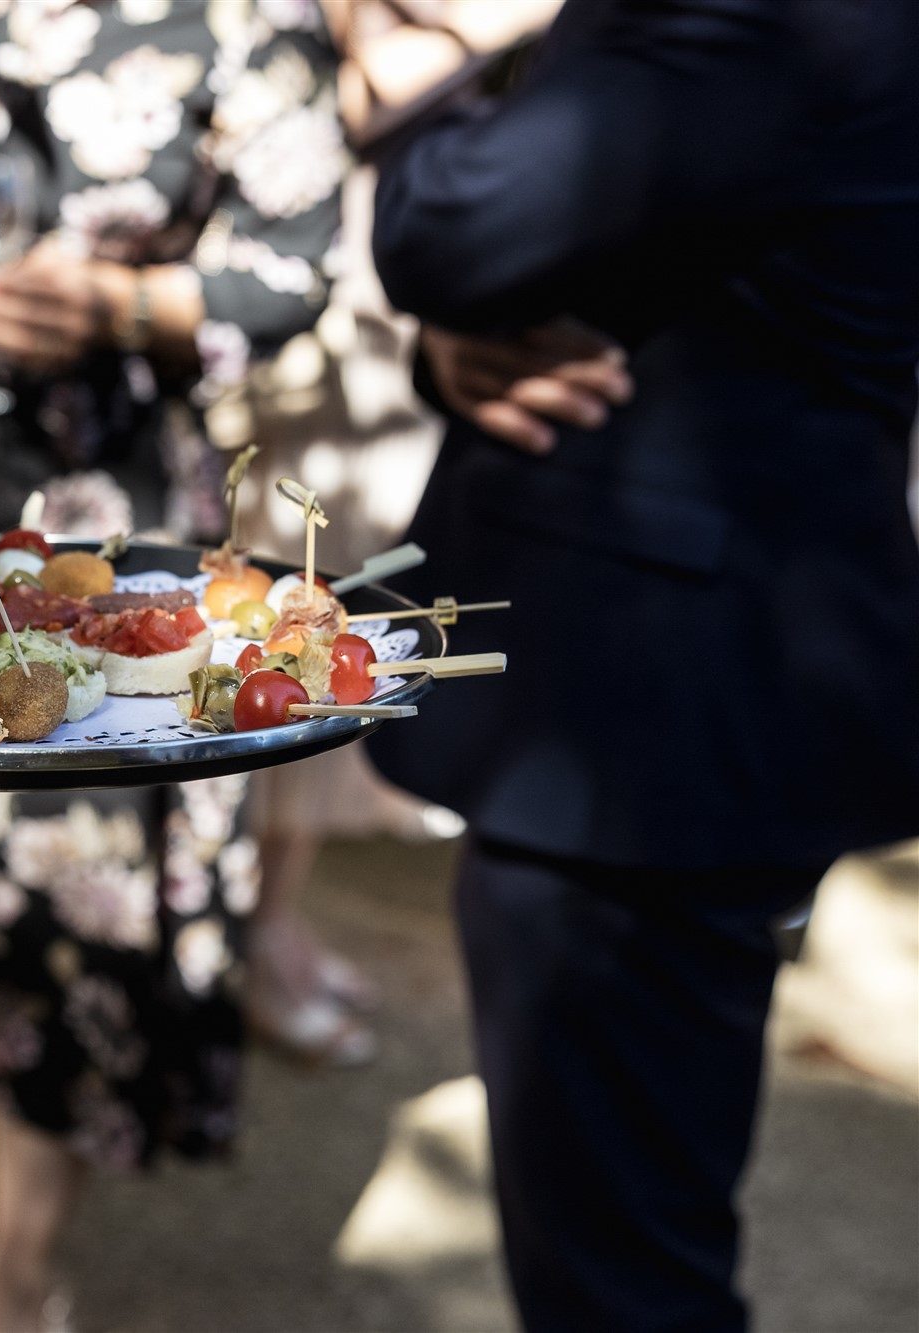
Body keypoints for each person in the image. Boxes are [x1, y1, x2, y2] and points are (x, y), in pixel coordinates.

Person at [0, 3, 344, 1328]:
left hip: (113, 526)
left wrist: (124, 303)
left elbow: (293, 267)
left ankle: (20, 1282)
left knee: (71, 907)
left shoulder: (250, 19)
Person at [365, 0, 919, 1327]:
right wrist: (458, 357)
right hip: (690, 683)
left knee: (623, 1274)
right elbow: (666, 272)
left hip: (649, 726)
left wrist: (441, 61)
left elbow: (449, 230)